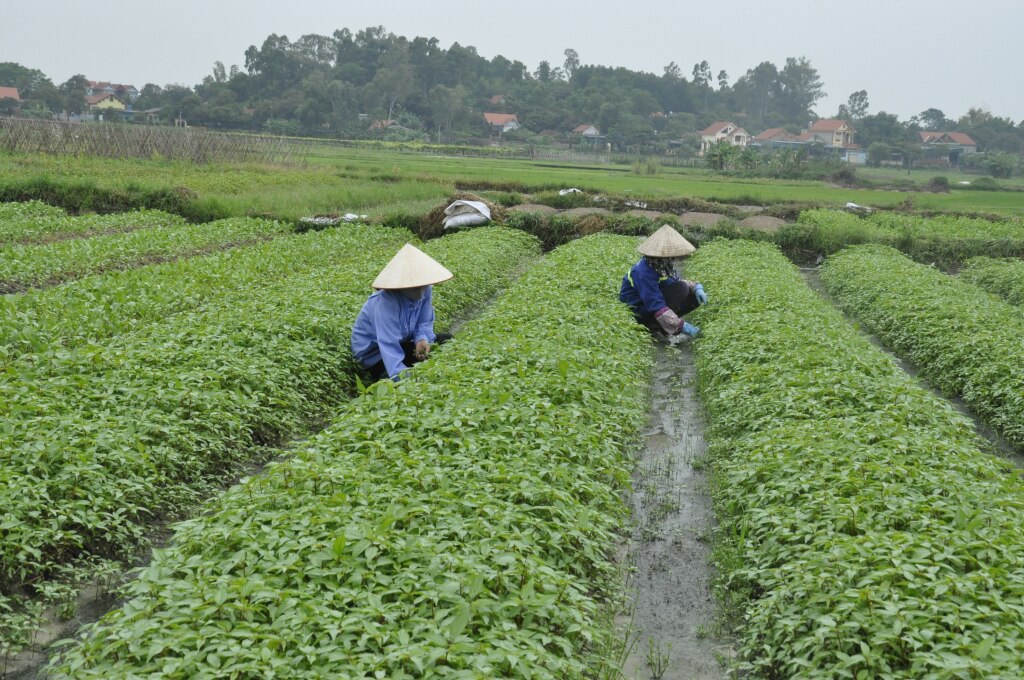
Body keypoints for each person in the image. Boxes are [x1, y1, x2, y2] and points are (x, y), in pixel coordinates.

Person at [351, 243, 453, 382]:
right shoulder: (386, 303)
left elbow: (424, 322)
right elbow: (388, 344)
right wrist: (403, 378)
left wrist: (421, 339)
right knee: (393, 377)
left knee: (446, 339)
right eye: (415, 287)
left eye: (423, 285)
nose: (421, 291)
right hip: (376, 354)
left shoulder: (425, 290)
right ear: (401, 286)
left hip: (401, 343)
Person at [619, 225, 708, 338]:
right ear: (661, 257)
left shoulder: (661, 266)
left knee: (690, 293)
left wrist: (696, 287)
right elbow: (655, 304)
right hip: (636, 311)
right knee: (681, 288)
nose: (672, 260)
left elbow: (676, 281)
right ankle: (654, 326)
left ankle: (662, 325)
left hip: (648, 305)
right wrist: (683, 326)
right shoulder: (643, 272)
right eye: (670, 257)